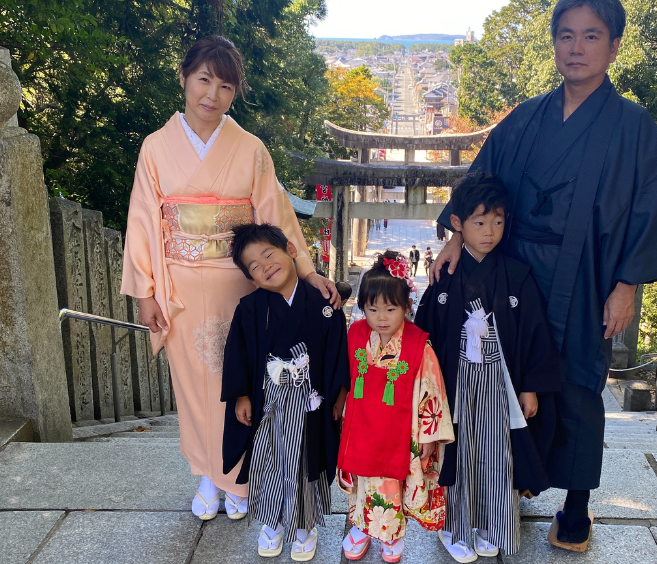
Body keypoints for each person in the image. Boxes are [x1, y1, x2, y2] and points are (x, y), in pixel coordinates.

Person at [431, 0, 657, 552]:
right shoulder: (524, 118)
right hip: (513, 272)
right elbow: (481, 183)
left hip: (586, 276)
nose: (577, 48)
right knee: (505, 379)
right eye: (566, 35)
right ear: (554, 44)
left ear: (614, 46)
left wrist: (627, 286)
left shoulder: (633, 127)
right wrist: (454, 234)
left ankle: (575, 504)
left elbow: (652, 208)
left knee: (575, 385)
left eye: (591, 36)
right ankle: (509, 482)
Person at [121, 35, 341, 523]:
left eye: (225, 86)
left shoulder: (250, 149)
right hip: (178, 281)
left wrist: (305, 270)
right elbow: (141, 218)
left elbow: (275, 216)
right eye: (204, 79)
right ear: (184, 77)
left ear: (234, 93)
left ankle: (239, 476)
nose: (212, 95)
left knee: (241, 377)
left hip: (241, 286)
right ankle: (207, 471)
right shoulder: (156, 149)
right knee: (193, 382)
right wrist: (145, 292)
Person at [416, 173, 560, 561]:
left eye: (498, 221)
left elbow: (533, 331)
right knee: (457, 452)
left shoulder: (515, 275)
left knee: (498, 454)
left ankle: (492, 523)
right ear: (458, 225)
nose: (490, 232)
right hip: (455, 381)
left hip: (500, 383)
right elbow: (423, 337)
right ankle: (454, 526)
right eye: (479, 223)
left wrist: (528, 385)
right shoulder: (444, 278)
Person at [221, 223, 350, 560]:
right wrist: (242, 395)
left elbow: (338, 350)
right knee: (270, 461)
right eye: (255, 266)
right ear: (251, 279)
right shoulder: (249, 308)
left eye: (269, 254)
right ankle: (273, 522)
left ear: (291, 250)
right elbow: (238, 353)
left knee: (306, 463)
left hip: (311, 404)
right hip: (270, 403)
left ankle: (306, 525)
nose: (266, 267)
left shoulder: (324, 302)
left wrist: (339, 397)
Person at [336, 252, 455, 563]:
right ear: (363, 308)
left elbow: (432, 390)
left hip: (402, 431)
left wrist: (429, 435)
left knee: (393, 484)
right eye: (372, 309)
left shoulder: (418, 344)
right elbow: (345, 378)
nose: (382, 317)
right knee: (364, 480)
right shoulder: (357, 335)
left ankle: (391, 533)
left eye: (391, 309)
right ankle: (362, 527)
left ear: (406, 306)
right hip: (362, 426)